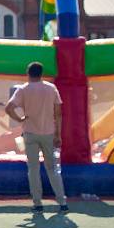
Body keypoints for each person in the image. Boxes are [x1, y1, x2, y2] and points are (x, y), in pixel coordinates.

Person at [5, 62, 69, 213]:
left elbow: (9, 108)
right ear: (41, 74)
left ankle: (37, 203)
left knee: (33, 168)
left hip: (30, 132)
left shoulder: (23, 89)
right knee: (52, 168)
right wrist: (58, 134)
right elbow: (58, 113)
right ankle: (62, 202)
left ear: (28, 73)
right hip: (48, 132)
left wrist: (20, 119)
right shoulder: (51, 88)